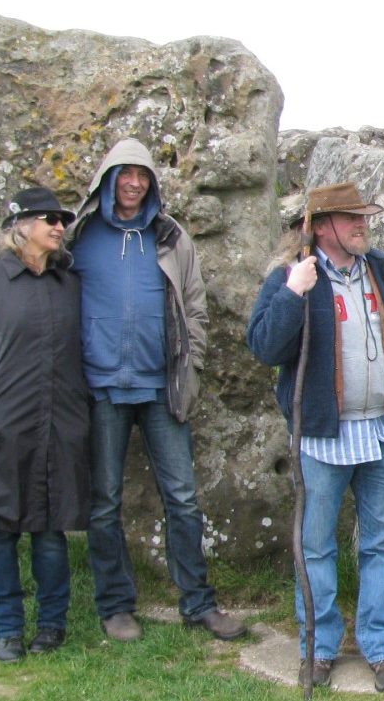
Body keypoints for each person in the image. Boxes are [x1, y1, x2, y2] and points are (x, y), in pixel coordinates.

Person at [246, 182, 384, 691]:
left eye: (363, 218)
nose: (361, 226)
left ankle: (383, 647)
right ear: (320, 225)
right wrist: (292, 294)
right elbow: (264, 347)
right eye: (351, 219)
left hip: (382, 432)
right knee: (316, 547)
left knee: (382, 543)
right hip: (321, 438)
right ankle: (318, 649)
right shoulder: (290, 276)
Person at [66, 138, 246, 643]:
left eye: (142, 175)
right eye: (124, 173)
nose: (133, 183)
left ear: (152, 183)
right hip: (101, 387)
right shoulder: (82, 237)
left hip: (161, 387)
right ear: (108, 178)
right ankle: (116, 606)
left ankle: (198, 604)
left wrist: (193, 368)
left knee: (183, 500)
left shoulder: (171, 237)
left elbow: (195, 307)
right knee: (103, 503)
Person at [0, 187, 89, 662]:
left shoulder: (69, 283)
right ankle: (6, 629)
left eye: (63, 220)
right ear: (21, 225)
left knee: (49, 531)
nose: (59, 227)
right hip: (1, 428)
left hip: (57, 426)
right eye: (50, 218)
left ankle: (51, 625)